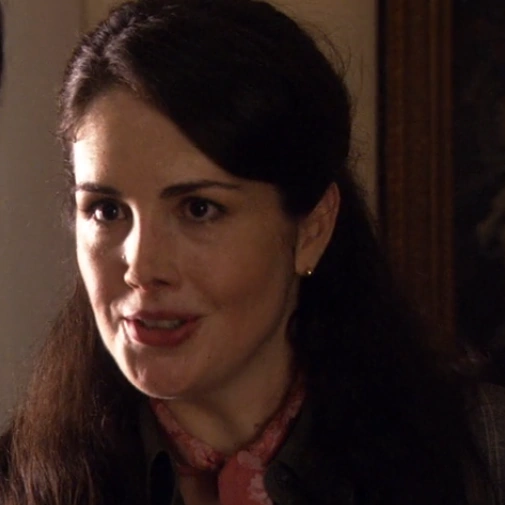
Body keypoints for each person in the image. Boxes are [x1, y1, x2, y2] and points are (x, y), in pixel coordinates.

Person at [0, 0, 503, 504]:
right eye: (107, 211)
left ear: (313, 229)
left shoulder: (481, 454)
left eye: (198, 209)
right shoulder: (19, 483)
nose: (142, 266)